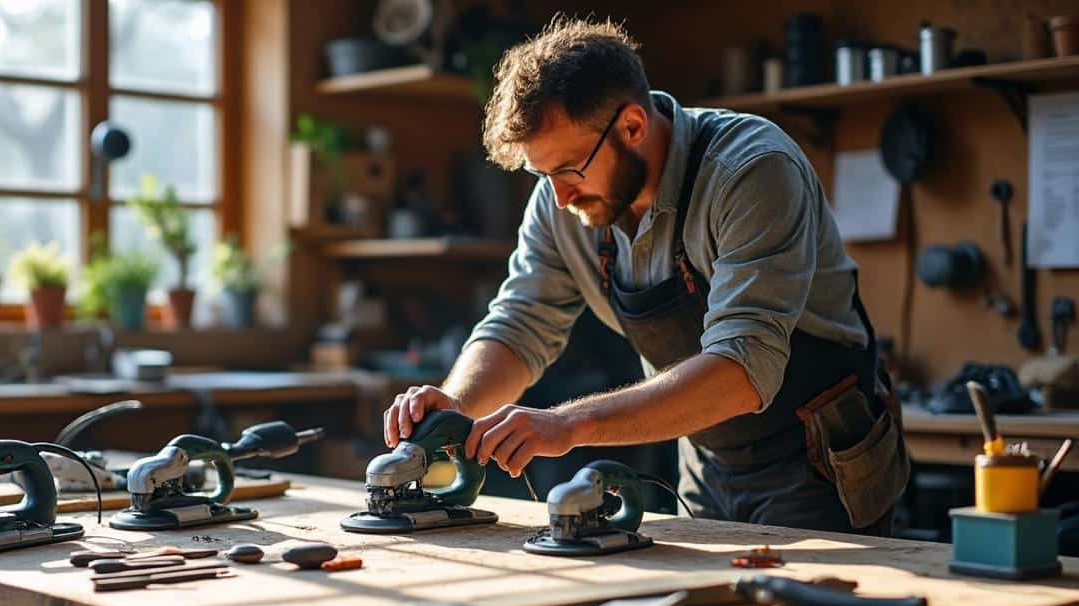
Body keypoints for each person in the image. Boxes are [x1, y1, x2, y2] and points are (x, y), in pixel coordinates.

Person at [383, 17, 908, 534]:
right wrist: (456, 406)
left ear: (632, 127)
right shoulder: (559, 198)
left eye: (568, 170)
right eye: (543, 176)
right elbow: (520, 322)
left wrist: (566, 425)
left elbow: (743, 371)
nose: (560, 198)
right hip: (706, 459)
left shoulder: (751, 170)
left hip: (820, 457)